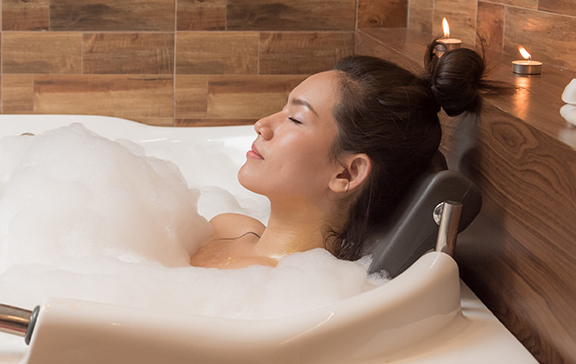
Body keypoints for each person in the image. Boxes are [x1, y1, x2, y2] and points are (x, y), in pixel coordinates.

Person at [190, 41, 497, 269]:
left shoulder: (284, 298)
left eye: (295, 118)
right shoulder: (223, 225)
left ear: (346, 174)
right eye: (284, 108)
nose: (262, 125)